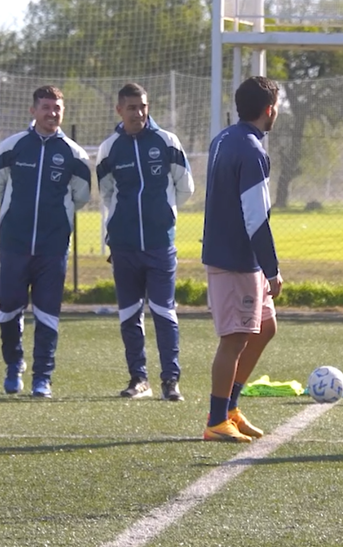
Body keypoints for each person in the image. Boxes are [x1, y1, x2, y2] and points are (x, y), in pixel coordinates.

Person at [0, 85, 91, 398]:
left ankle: (42, 377)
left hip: (52, 247)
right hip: (13, 243)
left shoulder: (75, 155)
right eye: (46, 107)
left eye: (57, 108)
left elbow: (81, 196)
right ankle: (13, 364)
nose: (52, 113)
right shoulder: (12, 147)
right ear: (33, 111)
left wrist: (55, 221)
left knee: (48, 312)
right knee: (9, 308)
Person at [96, 83, 195, 401]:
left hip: (159, 243)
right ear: (119, 110)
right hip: (124, 246)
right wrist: (119, 225)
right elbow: (107, 192)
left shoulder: (167, 141)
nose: (138, 113)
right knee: (129, 314)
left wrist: (164, 214)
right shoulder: (109, 148)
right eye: (131, 107)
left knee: (165, 312)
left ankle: (171, 381)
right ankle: (139, 379)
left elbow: (186, 187)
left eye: (143, 106)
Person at [201, 76, 284, 442]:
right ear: (269, 110)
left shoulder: (224, 138)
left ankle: (231, 407)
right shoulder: (251, 149)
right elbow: (256, 217)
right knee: (233, 339)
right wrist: (273, 270)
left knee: (265, 327)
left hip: (237, 256)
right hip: (235, 258)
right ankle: (217, 420)